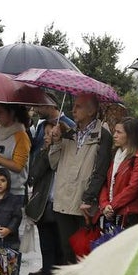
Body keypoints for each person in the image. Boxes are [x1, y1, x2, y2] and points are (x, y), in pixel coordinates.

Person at [47, 93, 112, 264]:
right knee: (66, 249)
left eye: (78, 106)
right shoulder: (68, 133)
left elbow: (101, 170)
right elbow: (53, 164)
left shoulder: (103, 135)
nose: (73, 110)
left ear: (91, 111)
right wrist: (56, 142)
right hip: (63, 200)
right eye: (74, 106)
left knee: (84, 251)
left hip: (84, 203)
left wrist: (89, 198)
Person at [25, 113, 75, 275]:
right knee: (46, 247)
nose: (47, 137)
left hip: (60, 204)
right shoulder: (43, 151)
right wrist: (45, 151)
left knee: (60, 247)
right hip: (43, 205)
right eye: (45, 133)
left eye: (50, 133)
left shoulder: (67, 153)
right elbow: (34, 174)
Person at [98, 117, 138, 227]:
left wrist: (112, 205)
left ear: (130, 136)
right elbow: (105, 183)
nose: (114, 135)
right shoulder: (114, 155)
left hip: (127, 213)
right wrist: (105, 204)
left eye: (119, 132)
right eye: (115, 131)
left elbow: (133, 187)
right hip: (110, 211)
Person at [0, 104, 30, 196]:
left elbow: (18, 166)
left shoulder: (21, 136)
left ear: (11, 113)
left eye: (1, 112)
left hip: (10, 193)